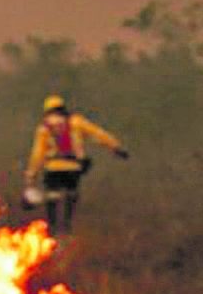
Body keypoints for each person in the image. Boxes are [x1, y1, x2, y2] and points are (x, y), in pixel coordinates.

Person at [22, 94, 130, 232]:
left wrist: (31, 174)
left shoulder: (44, 128)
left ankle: (53, 226)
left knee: (52, 196)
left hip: (52, 168)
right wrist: (116, 147)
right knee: (71, 194)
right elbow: (98, 134)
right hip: (73, 168)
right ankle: (67, 224)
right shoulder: (76, 122)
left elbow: (37, 154)